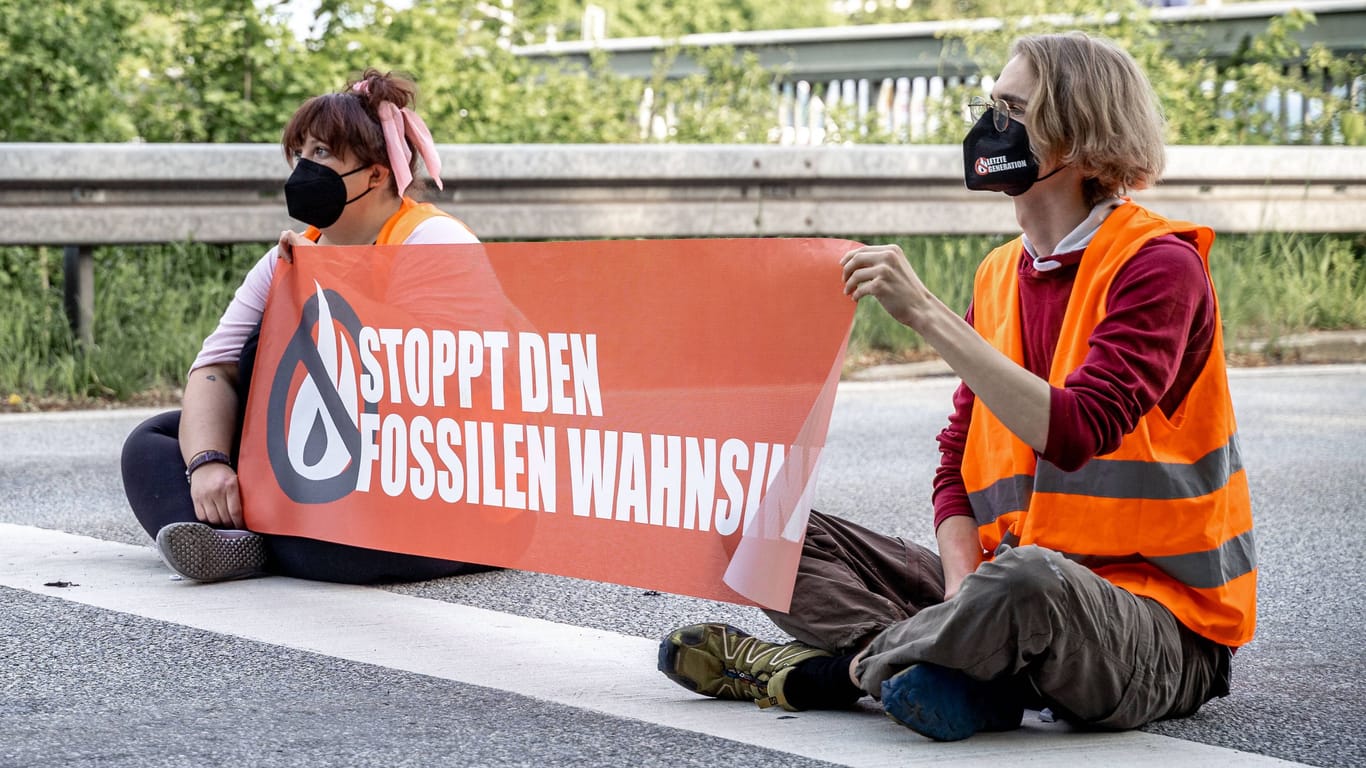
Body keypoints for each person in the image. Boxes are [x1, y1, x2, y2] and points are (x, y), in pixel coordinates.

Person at [658, 31, 1256, 742]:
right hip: (997, 584)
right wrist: (959, 590)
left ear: (1085, 137)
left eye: (1015, 108)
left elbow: (1076, 431)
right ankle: (951, 668)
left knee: (1031, 581)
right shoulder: (999, 275)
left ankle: (828, 675)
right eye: (990, 103)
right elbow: (955, 464)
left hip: (1155, 628)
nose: (990, 125)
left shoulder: (1158, 265)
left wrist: (923, 314)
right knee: (753, 521)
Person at [121, 68, 489, 584]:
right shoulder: (292, 252)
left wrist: (330, 288)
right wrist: (208, 464)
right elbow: (217, 368)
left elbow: (441, 381)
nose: (302, 169)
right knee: (153, 441)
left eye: (320, 155)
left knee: (327, 541)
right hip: (321, 460)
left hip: (418, 472)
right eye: (300, 154)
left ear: (376, 174)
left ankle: (256, 537)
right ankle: (240, 536)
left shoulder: (433, 242)